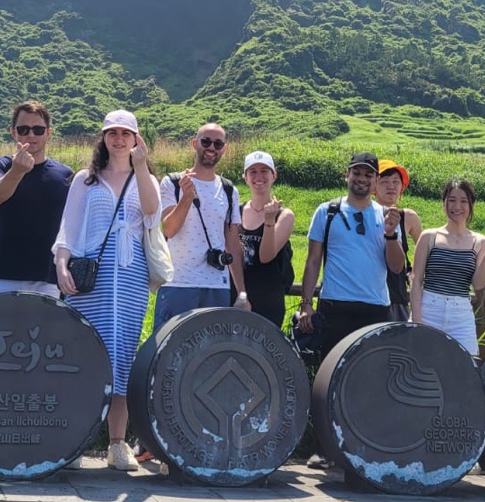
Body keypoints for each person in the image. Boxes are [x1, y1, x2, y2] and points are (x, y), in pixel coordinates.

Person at [53, 110, 159, 471]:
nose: (118, 139)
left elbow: (151, 212)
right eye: (112, 133)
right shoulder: (86, 179)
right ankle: (75, 441)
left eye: (125, 133)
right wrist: (62, 263)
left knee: (122, 356)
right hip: (91, 276)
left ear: (136, 139)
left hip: (130, 276)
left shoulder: (145, 177)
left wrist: (142, 167)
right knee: (85, 355)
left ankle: (117, 444)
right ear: (103, 138)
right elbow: (68, 227)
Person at [296, 152, 405, 468]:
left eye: (368, 174)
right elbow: (313, 260)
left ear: (374, 182)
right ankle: (324, 448)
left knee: (372, 382)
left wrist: (390, 232)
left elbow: (396, 266)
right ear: (347, 175)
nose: (362, 178)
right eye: (357, 172)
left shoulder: (386, 215)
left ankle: (365, 449)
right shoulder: (326, 212)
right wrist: (306, 305)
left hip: (375, 309)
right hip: (335, 306)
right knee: (329, 381)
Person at [154, 122, 251, 331]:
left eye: (217, 144)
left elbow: (232, 244)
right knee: (170, 352)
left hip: (217, 285)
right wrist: (186, 198)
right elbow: (168, 229)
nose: (211, 148)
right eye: (206, 141)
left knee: (211, 354)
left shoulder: (229, 190)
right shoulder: (172, 183)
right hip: (178, 283)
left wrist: (241, 292)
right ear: (194, 143)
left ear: (224, 149)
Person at [0, 101, 73, 297]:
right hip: (0, 277)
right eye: (23, 129)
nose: (31, 135)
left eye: (38, 129)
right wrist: (17, 171)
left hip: (48, 279)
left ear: (48, 133)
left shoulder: (65, 174)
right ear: (13, 132)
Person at [409, 179, 485, 358]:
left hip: (460, 313)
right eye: (452, 200)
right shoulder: (429, 236)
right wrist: (417, 320)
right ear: (444, 203)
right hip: (429, 307)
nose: (457, 206)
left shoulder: (480, 241)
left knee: (465, 367)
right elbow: (416, 279)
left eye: (463, 201)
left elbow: (478, 284)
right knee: (420, 364)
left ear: (471, 205)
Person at [237, 150, 295, 329]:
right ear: (245, 177)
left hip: (269, 298)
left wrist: (269, 221)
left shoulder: (284, 216)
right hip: (239, 295)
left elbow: (266, 256)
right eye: (252, 172)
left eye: (264, 171)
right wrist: (241, 293)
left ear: (273, 175)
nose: (258, 177)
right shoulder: (236, 212)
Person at [374, 158, 421, 322]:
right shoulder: (365, 214)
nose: (391, 186)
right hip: (369, 295)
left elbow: (424, 252)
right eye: (384, 181)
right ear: (374, 186)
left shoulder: (409, 217)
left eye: (395, 181)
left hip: (396, 294)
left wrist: (413, 275)